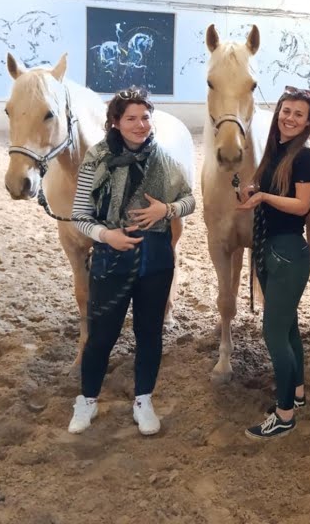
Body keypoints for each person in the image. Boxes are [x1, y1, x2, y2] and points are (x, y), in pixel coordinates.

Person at [67, 86, 196, 435]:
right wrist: (106, 235)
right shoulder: (96, 159)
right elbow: (79, 215)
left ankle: (143, 400)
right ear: (115, 122)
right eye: (131, 119)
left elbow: (189, 200)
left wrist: (166, 209)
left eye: (145, 118)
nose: (140, 125)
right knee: (101, 336)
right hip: (111, 258)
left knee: (149, 334)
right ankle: (87, 400)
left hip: (156, 260)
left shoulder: (164, 158)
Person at [236, 86, 310, 440]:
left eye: (298, 114)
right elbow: (269, 189)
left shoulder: (306, 158)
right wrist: (252, 191)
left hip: (287, 254)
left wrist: (264, 198)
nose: (290, 118)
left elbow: (302, 206)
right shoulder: (276, 151)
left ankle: (284, 414)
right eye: (286, 111)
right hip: (271, 249)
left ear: (307, 122)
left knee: (273, 334)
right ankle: (297, 393)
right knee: (287, 329)